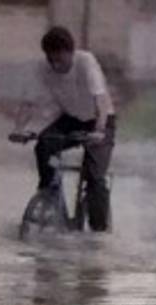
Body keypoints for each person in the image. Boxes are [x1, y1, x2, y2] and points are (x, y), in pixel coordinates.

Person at [13, 26, 116, 231]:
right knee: (44, 144)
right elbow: (28, 103)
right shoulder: (43, 68)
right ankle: (48, 194)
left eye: (60, 59)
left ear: (71, 52)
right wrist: (19, 129)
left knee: (95, 179)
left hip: (100, 120)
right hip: (71, 119)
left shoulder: (86, 62)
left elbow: (100, 100)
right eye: (51, 60)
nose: (56, 65)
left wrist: (99, 130)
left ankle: (100, 231)